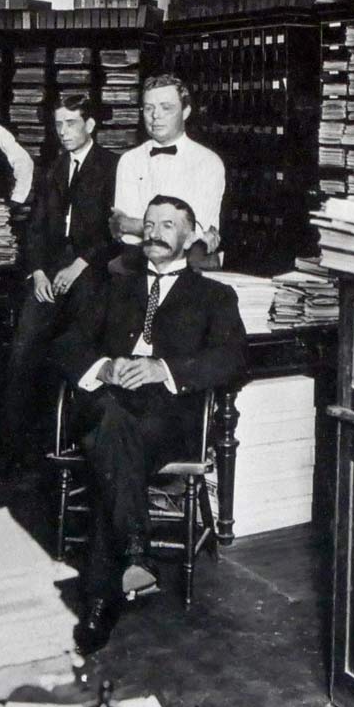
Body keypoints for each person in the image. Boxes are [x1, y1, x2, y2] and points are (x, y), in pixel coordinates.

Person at [52, 195, 247, 655]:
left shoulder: (214, 295)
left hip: (166, 414)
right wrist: (103, 367)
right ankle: (135, 557)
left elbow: (234, 360)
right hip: (106, 403)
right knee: (111, 423)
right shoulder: (113, 287)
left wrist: (166, 369)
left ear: (189, 235)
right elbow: (64, 343)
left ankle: (103, 597)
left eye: (168, 224)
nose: (155, 232)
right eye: (150, 223)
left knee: (112, 456)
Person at [0, 94, 119, 474]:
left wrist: (80, 264)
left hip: (92, 272)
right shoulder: (52, 168)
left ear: (90, 125)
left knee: (76, 351)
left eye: (71, 123)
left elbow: (115, 233)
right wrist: (36, 272)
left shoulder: (114, 167)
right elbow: (35, 227)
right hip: (49, 272)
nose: (63, 132)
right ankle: (14, 453)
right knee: (22, 348)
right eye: (58, 125)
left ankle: (71, 445)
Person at [110, 75, 224, 256]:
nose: (156, 115)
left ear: (185, 111)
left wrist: (135, 225)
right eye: (149, 108)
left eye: (166, 108)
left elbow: (194, 233)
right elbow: (123, 232)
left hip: (189, 265)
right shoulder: (129, 160)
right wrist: (169, 227)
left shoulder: (208, 162)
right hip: (136, 263)